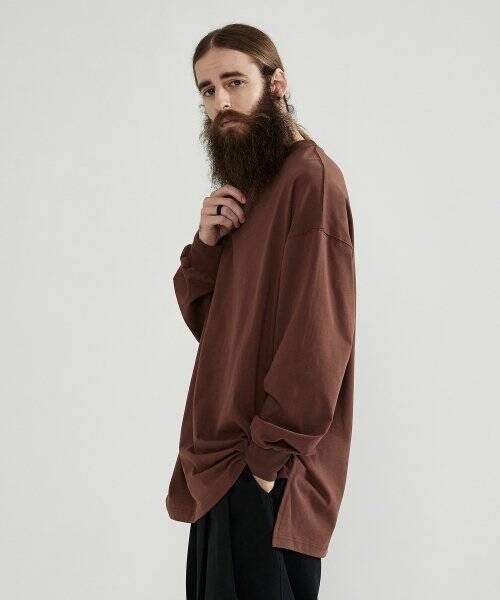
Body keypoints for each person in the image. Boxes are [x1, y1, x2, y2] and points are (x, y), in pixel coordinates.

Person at [165, 23, 356, 600]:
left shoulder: (311, 180)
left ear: (277, 84)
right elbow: (215, 329)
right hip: (220, 469)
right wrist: (206, 245)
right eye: (206, 90)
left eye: (234, 82)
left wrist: (265, 463)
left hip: (266, 475)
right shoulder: (251, 185)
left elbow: (318, 340)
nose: (220, 102)